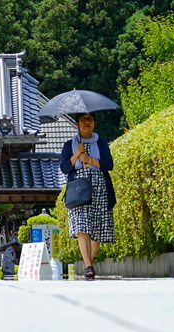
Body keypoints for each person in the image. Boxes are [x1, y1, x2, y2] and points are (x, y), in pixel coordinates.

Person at [58, 112, 115, 281]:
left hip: (100, 188)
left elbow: (108, 164)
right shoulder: (69, 145)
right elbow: (64, 168)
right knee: (82, 227)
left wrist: (89, 159)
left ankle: (89, 262)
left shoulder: (101, 143)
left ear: (94, 123)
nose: (86, 122)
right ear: (77, 124)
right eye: (83, 119)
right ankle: (88, 266)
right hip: (78, 189)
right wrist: (76, 154)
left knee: (97, 229)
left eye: (90, 119)